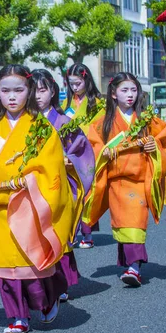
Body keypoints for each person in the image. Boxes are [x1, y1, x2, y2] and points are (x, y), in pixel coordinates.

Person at [0, 64, 78, 333]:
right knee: (5, 270)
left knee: (31, 267)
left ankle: (45, 301)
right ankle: (16, 317)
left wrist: (30, 183)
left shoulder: (41, 129)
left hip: (29, 206)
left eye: (18, 90)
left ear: (29, 91)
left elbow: (51, 166)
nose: (12, 96)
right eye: (5, 91)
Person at [84, 72, 166, 287]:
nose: (130, 95)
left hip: (139, 179)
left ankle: (134, 267)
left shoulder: (146, 119)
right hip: (117, 181)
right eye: (124, 90)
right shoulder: (102, 122)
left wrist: (154, 146)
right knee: (124, 222)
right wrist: (103, 153)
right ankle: (131, 264)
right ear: (113, 94)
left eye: (133, 90)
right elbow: (93, 146)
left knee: (134, 221)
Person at [32, 68, 95, 301]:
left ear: (53, 91)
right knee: (37, 236)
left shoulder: (64, 122)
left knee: (58, 234)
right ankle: (42, 282)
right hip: (33, 187)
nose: (38, 96)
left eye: (42, 90)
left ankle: (62, 282)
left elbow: (82, 152)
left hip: (61, 187)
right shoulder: (24, 124)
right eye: (33, 91)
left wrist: (69, 160)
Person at [62, 63, 104, 248]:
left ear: (86, 80)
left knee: (88, 191)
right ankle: (72, 230)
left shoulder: (98, 103)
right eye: (71, 84)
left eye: (78, 83)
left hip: (89, 151)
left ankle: (87, 232)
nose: (75, 87)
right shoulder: (66, 103)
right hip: (71, 152)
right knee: (71, 191)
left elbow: (101, 128)